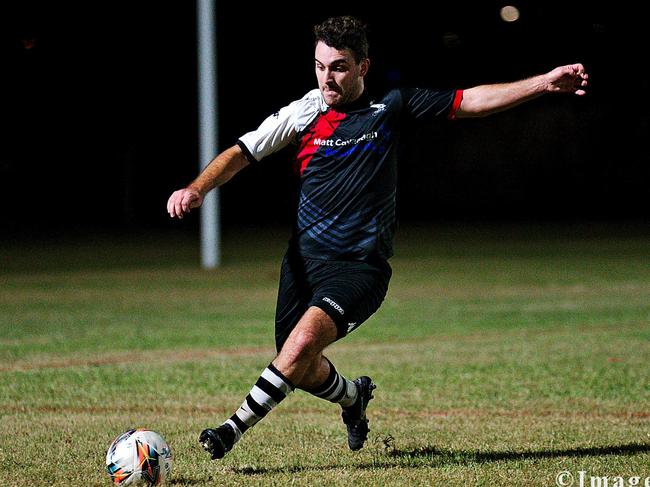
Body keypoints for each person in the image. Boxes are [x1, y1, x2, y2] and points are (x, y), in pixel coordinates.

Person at [167, 15, 588, 460]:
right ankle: (353, 396)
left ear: (364, 67)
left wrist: (542, 83)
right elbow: (241, 152)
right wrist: (197, 188)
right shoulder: (304, 112)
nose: (327, 78)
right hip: (302, 265)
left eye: (339, 67)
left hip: (359, 269)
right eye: (320, 65)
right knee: (298, 364)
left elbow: (471, 101)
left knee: (301, 345)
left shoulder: (391, 106)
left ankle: (230, 430)